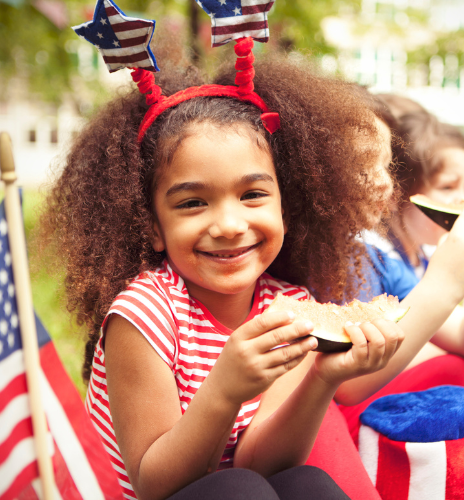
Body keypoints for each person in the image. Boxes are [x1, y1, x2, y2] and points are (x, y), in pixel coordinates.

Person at [36, 44, 411, 500]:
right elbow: (155, 485)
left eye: (252, 194)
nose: (230, 226)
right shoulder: (142, 315)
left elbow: (265, 463)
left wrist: (322, 377)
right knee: (237, 490)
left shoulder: (286, 306)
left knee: (305, 483)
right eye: (193, 203)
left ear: (286, 208)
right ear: (154, 227)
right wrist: (225, 389)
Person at [334, 95, 464, 444]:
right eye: (449, 187)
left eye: (386, 167)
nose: (382, 184)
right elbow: (347, 379)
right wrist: (447, 282)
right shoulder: (359, 260)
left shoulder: (395, 258)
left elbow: (455, 332)